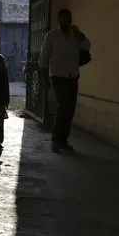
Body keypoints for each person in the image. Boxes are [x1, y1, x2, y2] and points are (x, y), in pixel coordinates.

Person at [40, 8, 91, 153]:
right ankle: (56, 141)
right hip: (58, 76)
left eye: (69, 18)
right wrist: (45, 80)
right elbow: (43, 59)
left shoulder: (76, 36)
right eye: (63, 18)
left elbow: (87, 46)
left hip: (72, 76)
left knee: (70, 109)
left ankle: (63, 140)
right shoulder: (52, 36)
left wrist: (80, 34)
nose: (66, 21)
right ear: (59, 20)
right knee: (64, 107)